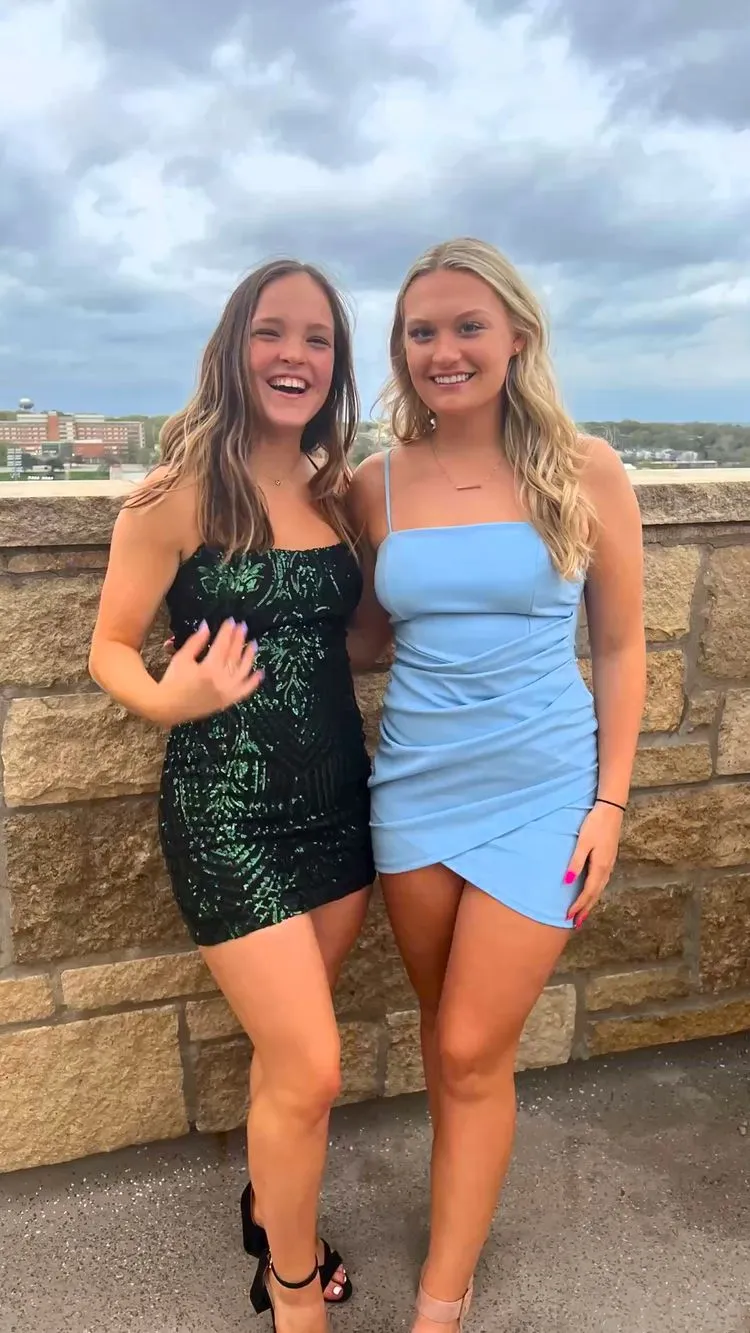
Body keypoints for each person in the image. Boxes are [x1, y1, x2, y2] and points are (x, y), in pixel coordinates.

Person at [348, 237, 646, 1332]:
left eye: (467, 326)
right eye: (421, 331)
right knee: (448, 1035)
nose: (444, 350)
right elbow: (364, 636)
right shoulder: (373, 482)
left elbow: (620, 645)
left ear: (516, 335)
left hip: (545, 792)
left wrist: (610, 802)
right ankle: (458, 1216)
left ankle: (442, 1296)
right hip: (414, 788)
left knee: (474, 1045)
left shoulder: (586, 466)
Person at [89, 259, 375, 1333]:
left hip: (338, 809)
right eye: (272, 332)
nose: (294, 355)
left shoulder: (338, 491)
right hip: (225, 815)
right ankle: (292, 1289)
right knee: (314, 1067)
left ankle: (267, 1207)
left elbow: (361, 636)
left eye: (317, 338)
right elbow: (110, 647)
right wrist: (170, 699)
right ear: (233, 348)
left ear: (336, 363)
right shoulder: (175, 496)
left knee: (287, 1059)